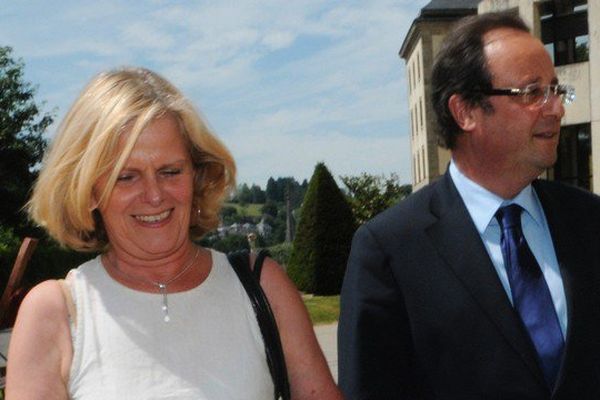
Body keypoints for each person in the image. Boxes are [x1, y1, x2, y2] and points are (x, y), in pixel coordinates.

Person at [6, 67, 342, 400]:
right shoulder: (55, 314)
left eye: (170, 171)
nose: (154, 195)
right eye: (126, 177)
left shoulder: (262, 286)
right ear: (89, 191)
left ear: (196, 177)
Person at [338, 11, 600, 399]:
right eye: (533, 93)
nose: (556, 108)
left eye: (556, 90)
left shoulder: (591, 221)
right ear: (466, 112)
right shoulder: (388, 251)